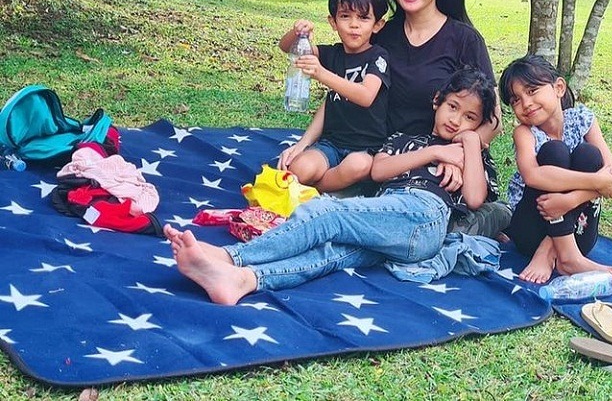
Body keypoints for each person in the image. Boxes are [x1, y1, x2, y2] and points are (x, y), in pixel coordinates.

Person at [163, 68, 498, 305]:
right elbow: (379, 170)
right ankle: (243, 280)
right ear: (437, 100)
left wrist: (470, 145)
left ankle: (229, 257)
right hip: (390, 223)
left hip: (424, 216)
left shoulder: (470, 153)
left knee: (328, 212)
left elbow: (474, 198)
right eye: (453, 107)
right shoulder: (406, 140)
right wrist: (435, 152)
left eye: (470, 118)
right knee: (331, 253)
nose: (456, 120)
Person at [374, 0, 510, 239]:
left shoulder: (464, 40)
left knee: (430, 231)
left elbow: (494, 120)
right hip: (394, 158)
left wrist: (458, 156)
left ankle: (487, 218)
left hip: (448, 166)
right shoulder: (382, 36)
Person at [499, 54, 612, 284]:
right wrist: (595, 183)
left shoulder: (582, 120)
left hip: (580, 234)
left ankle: (556, 253)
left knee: (589, 155)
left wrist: (569, 201)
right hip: (531, 230)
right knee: (554, 152)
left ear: (558, 87)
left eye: (532, 91)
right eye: (515, 100)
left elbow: (611, 177)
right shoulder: (524, 133)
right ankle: (566, 256)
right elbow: (533, 176)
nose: (525, 103)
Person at [276, 0, 390, 192]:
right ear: (333, 22)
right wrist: (298, 33)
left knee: (358, 165)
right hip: (331, 144)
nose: (354, 24)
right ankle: (325, 188)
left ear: (377, 25)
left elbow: (366, 96)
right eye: (345, 16)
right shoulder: (332, 53)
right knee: (300, 168)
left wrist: (321, 73)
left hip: (367, 149)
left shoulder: (378, 56)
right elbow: (286, 47)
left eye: (363, 17)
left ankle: (311, 192)